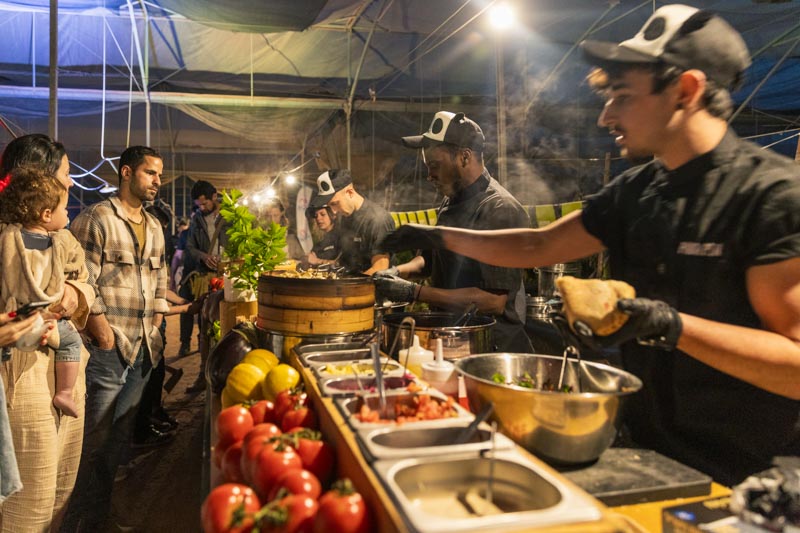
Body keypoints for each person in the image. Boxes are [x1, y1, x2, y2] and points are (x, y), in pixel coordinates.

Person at [380, 5, 800, 486]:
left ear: (686, 90)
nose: (605, 115)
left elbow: (794, 364)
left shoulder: (767, 195)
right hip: (648, 449)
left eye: (621, 96)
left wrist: (669, 325)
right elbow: (535, 246)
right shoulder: (637, 191)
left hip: (748, 473)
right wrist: (436, 235)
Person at [62, 145, 169, 531]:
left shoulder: (155, 226)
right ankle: (77, 520)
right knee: (92, 444)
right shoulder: (96, 219)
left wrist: (157, 318)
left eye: (159, 174)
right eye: (150, 173)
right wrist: (104, 335)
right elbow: (79, 280)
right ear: (126, 173)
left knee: (117, 443)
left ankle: (98, 516)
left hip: (143, 347)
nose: (158, 181)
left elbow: (161, 277)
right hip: (108, 347)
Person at [374, 111, 533, 353]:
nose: (429, 176)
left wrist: (414, 292)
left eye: (435, 166)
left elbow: (493, 301)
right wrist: (396, 272)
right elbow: (429, 261)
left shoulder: (499, 209)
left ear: (464, 157)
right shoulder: (451, 201)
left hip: (491, 346)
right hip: (454, 336)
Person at [0, 133, 95, 532]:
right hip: (23, 379)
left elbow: (88, 284)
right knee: (28, 505)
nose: (72, 184)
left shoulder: (63, 236)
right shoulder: (7, 239)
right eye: (66, 175)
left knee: (61, 492)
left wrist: (74, 294)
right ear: (38, 182)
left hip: (67, 372)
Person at [0, 167, 88, 418]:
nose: (68, 214)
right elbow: (76, 268)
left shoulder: (9, 238)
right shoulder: (58, 242)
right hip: (46, 316)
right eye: (64, 209)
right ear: (47, 214)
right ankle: (65, 392)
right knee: (71, 341)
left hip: (16, 315)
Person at [308, 169, 393, 275]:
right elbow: (345, 259)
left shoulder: (377, 219)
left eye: (335, 204)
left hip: (372, 288)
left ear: (350, 192)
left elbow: (380, 268)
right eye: (330, 205)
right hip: (347, 282)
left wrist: (349, 287)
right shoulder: (346, 217)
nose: (333, 211)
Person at [179, 180, 224, 367]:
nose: (202, 208)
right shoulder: (196, 219)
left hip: (223, 273)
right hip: (202, 272)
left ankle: (208, 344)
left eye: (205, 203)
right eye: (199, 205)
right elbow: (189, 247)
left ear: (214, 197)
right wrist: (203, 257)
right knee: (189, 304)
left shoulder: (228, 216)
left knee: (214, 313)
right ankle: (186, 342)